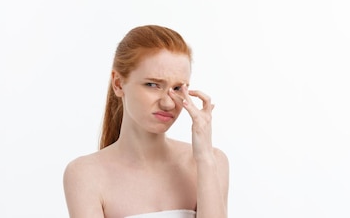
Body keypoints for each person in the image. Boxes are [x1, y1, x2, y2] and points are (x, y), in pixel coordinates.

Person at [63, 24, 229, 218]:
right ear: (118, 84)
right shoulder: (86, 175)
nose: (168, 103)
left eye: (177, 88)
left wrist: (204, 158)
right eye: (153, 85)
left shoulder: (211, 162)